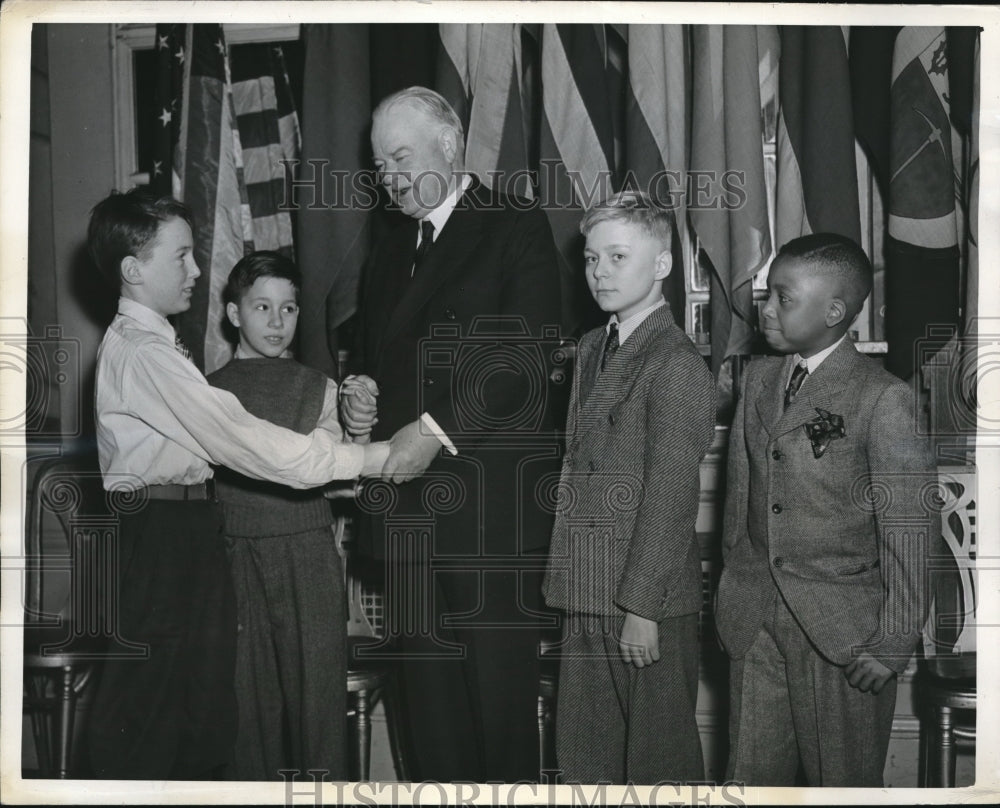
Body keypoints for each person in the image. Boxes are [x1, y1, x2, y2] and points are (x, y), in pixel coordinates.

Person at [85, 189, 388, 780]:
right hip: (162, 533)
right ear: (133, 269)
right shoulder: (145, 352)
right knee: (150, 709)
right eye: (181, 256)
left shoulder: (156, 346)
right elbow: (237, 435)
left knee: (199, 712)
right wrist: (370, 456)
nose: (197, 270)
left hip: (187, 529)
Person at [340, 86, 562, 782]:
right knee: (427, 719)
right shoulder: (388, 247)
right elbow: (384, 360)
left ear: (452, 143)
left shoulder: (513, 224)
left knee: (495, 719)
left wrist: (435, 429)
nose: (390, 178)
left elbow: (522, 356)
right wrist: (361, 397)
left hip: (486, 519)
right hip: (404, 518)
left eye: (401, 157)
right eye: (380, 166)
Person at [714, 233, 938, 786]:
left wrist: (892, 643)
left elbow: (909, 529)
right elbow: (738, 497)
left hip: (845, 636)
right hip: (755, 618)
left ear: (835, 311)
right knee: (749, 780)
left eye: (782, 298)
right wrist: (732, 590)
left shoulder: (883, 399)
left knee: (843, 784)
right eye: (766, 295)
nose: (764, 309)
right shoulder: (761, 379)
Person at [541, 192, 715, 784]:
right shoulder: (593, 346)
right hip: (586, 585)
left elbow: (669, 497)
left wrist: (641, 608)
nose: (600, 273)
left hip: (646, 602)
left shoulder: (676, 362)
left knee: (657, 763)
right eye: (592, 259)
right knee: (586, 756)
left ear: (662, 265)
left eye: (618, 257)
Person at [206, 251, 354, 780]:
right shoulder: (206, 390)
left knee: (318, 703)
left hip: (307, 549)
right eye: (262, 307)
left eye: (288, 309)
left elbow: (338, 472)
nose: (276, 322)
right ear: (232, 313)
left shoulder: (320, 386)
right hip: (234, 553)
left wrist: (358, 425)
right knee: (247, 707)